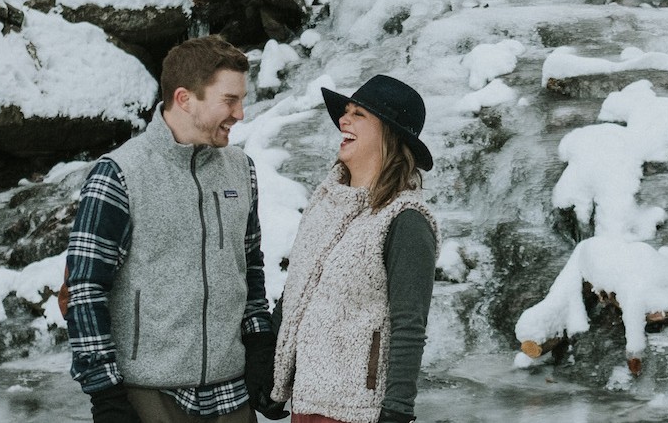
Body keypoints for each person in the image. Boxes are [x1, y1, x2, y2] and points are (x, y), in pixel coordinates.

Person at [65, 35, 288, 423]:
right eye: (230, 100)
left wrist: (258, 345)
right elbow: (85, 290)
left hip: (232, 394)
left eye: (242, 100)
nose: (240, 113)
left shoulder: (242, 168)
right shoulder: (118, 174)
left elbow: (249, 265)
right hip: (150, 397)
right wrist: (106, 394)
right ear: (185, 99)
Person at [272, 75, 440, 423]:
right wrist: (273, 375)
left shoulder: (406, 219)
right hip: (306, 402)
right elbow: (295, 295)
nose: (342, 121)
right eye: (344, 112)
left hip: (359, 411)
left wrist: (397, 411)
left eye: (358, 114)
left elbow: (410, 325)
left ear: (390, 135)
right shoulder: (325, 205)